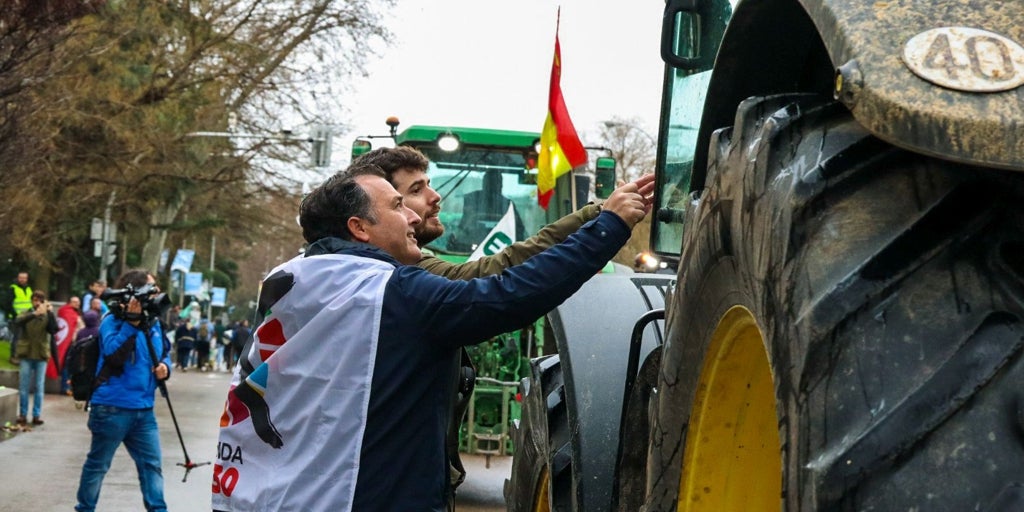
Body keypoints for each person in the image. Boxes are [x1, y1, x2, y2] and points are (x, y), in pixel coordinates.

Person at [212, 164, 649, 511]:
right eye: (398, 205)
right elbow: (509, 296)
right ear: (360, 228)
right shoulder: (392, 292)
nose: (413, 216)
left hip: (278, 493)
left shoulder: (292, 279)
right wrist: (606, 227)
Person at [352, 145, 651, 501]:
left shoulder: (323, 279)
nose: (435, 199)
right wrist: (603, 224)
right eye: (412, 193)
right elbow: (501, 280)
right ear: (363, 218)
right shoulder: (401, 282)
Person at [75, 269, 171, 512]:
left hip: (144, 410)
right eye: (151, 287)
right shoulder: (111, 320)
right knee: (98, 465)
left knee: (152, 466)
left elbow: (164, 353)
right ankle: (84, 509)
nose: (156, 292)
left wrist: (164, 368)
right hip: (111, 408)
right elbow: (114, 355)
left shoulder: (154, 322)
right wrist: (131, 324)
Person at [13, 290, 57, 425]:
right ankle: (22, 414)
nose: (36, 303)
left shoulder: (47, 315)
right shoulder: (27, 312)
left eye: (39, 300)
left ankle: (36, 414)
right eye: (35, 300)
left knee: (39, 386)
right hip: (26, 354)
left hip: (41, 355)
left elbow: (53, 329)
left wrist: (49, 313)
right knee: (24, 387)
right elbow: (17, 321)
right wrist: (34, 314)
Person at [57, 296, 84, 395]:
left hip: (75, 343)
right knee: (67, 365)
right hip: (69, 343)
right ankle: (65, 387)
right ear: (70, 303)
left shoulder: (78, 313)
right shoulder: (67, 312)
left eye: (78, 302)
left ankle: (69, 386)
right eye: (74, 302)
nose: (77, 304)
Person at [5, 271, 33, 364]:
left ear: (27, 279)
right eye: (21, 278)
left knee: (25, 338)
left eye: (24, 278)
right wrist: (14, 315)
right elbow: (8, 303)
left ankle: (23, 355)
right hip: (17, 317)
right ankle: (14, 356)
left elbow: (30, 302)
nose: (22, 279)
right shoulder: (13, 288)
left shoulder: (29, 288)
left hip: (28, 316)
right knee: (17, 337)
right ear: (18, 278)